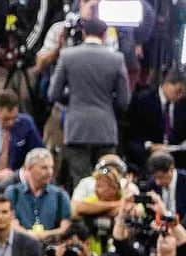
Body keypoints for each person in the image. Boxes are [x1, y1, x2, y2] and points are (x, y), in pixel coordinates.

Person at [50, 18, 130, 191]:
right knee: (109, 183)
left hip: (77, 128)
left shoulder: (68, 56)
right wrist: (107, 105)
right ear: (105, 34)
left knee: (81, 184)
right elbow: (124, 101)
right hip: (105, 128)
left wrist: (73, 102)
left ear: (84, 33)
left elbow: (53, 94)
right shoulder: (116, 59)